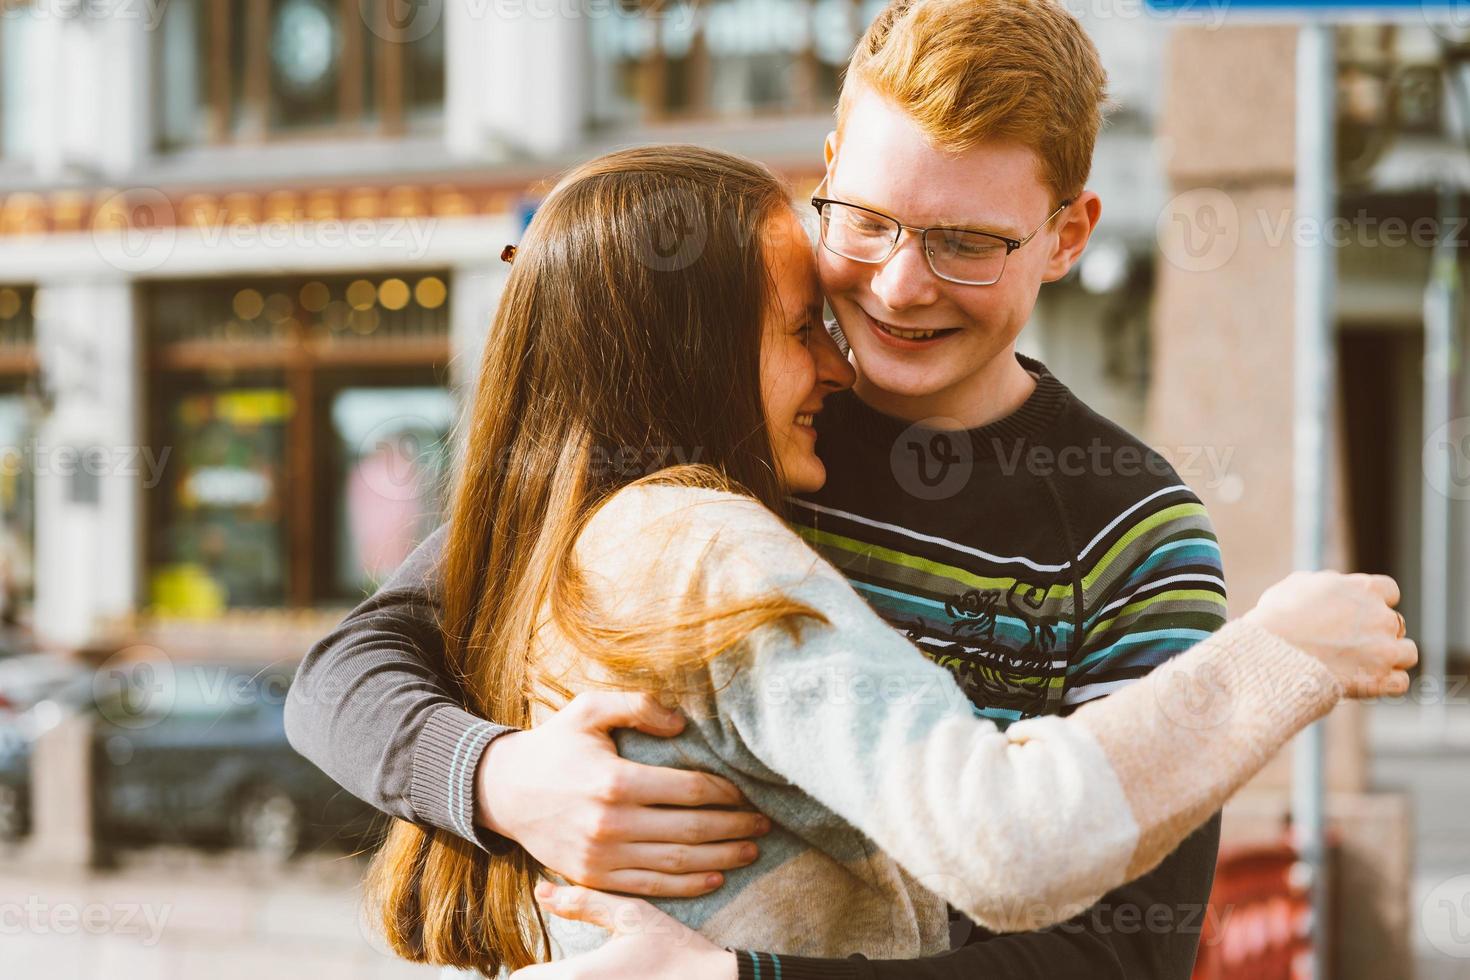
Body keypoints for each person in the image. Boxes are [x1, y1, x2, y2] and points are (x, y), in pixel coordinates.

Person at [286, 3, 1415, 978]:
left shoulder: (1132, 529)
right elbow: (351, 666)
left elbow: (1121, 953)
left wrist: (748, 974)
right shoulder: (721, 436)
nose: (896, 283)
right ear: (825, 170)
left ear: (1066, 234)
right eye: (868, 219)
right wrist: (502, 777)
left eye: (965, 241)